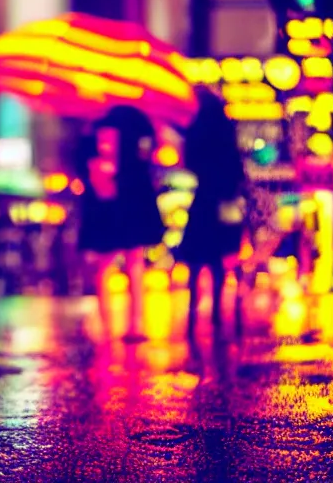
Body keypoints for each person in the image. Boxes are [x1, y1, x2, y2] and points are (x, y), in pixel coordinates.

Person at [77, 105, 165, 343]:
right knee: (130, 262)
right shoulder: (140, 120)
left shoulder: (98, 124)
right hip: (128, 201)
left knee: (112, 264)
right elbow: (149, 156)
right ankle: (132, 324)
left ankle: (114, 326)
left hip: (113, 203)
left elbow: (83, 160)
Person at [175, 86, 245, 336]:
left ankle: (193, 308)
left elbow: (190, 161)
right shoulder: (226, 126)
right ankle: (215, 309)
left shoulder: (197, 127)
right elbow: (237, 164)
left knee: (196, 257)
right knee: (218, 258)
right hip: (224, 196)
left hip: (204, 198)